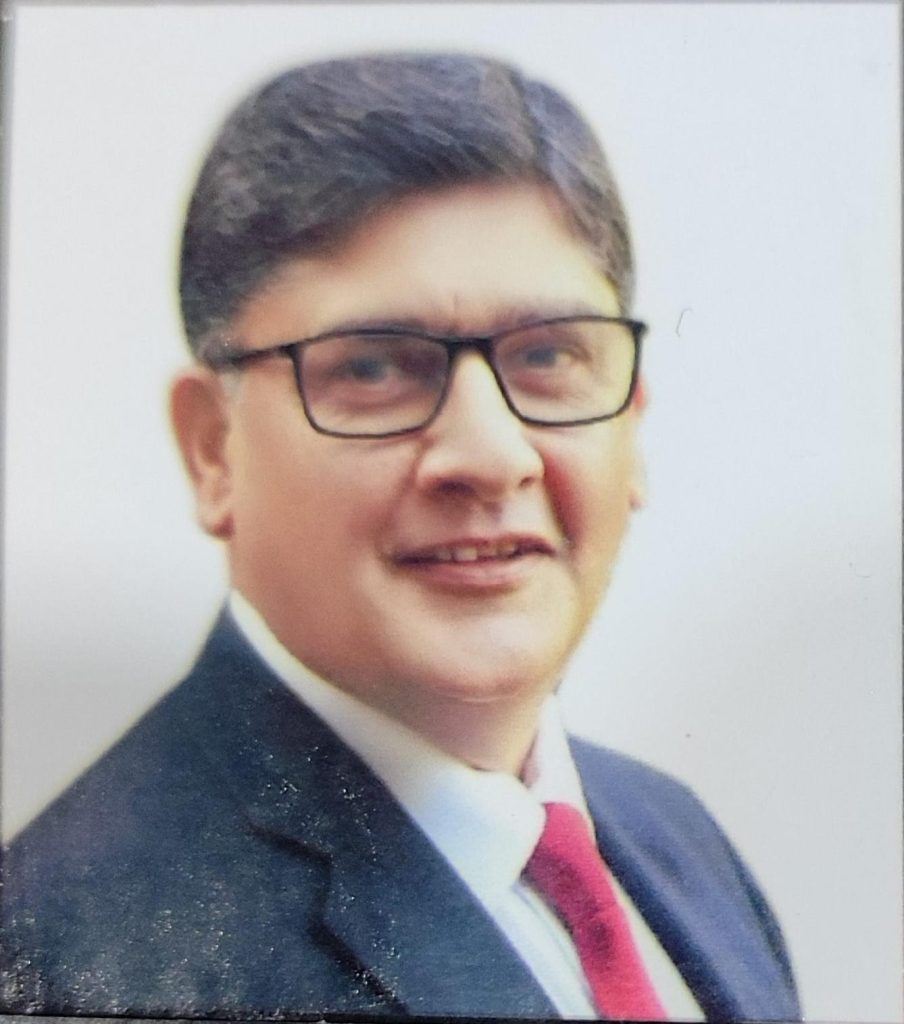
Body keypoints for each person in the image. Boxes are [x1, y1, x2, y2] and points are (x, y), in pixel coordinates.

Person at [1, 53, 800, 1021]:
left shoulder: (676, 841)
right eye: (375, 368)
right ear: (212, 449)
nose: (489, 455)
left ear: (632, 419)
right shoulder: (76, 957)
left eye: (549, 355)